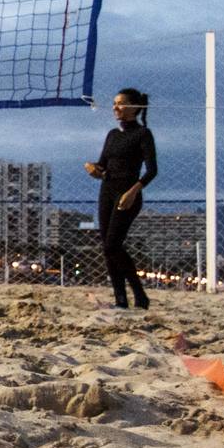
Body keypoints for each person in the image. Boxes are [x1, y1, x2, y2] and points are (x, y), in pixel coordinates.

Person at [85, 87, 157, 310]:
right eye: (114, 103)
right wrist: (94, 169)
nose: (115, 107)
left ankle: (140, 295)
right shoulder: (113, 135)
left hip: (128, 193)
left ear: (134, 107)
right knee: (107, 246)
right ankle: (120, 300)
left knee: (113, 245)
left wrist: (133, 191)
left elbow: (152, 170)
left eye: (121, 103)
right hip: (107, 191)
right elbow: (103, 166)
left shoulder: (143, 134)